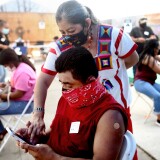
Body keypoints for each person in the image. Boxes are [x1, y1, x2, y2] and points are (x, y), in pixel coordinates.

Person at [28, 0, 138, 148]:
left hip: (116, 113)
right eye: (62, 32)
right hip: (80, 118)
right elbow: (43, 81)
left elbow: (132, 59)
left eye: (71, 31)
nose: (67, 36)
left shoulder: (114, 36)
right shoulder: (61, 47)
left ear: (87, 23)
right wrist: (38, 114)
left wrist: (110, 75)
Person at [17, 47, 128, 160]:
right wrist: (38, 137)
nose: (65, 90)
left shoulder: (110, 116)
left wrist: (53, 157)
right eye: (61, 83)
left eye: (69, 85)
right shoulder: (69, 99)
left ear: (89, 81)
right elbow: (59, 130)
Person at [0, 48, 36, 140]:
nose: (5, 67)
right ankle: (1, 131)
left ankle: (1, 131)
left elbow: (18, 94)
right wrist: (6, 85)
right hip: (22, 102)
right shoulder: (21, 67)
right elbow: (17, 86)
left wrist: (2, 96)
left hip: (23, 105)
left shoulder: (22, 72)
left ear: (10, 62)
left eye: (5, 65)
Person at [134, 39, 160, 126]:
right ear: (154, 48)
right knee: (157, 95)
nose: (158, 50)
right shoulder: (148, 58)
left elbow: (158, 58)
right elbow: (158, 70)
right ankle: (159, 118)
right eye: (157, 48)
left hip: (150, 82)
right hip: (140, 82)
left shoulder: (150, 56)